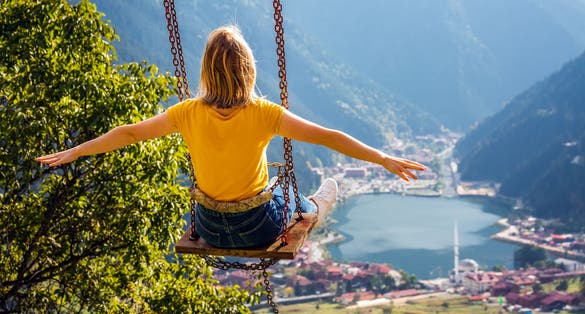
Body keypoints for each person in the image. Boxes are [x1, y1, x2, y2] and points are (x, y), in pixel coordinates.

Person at [36, 25, 425, 249]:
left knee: (273, 191)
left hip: (207, 225)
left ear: (206, 69)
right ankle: (319, 206)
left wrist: (76, 151)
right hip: (258, 226)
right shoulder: (263, 114)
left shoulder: (186, 112)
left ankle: (312, 202)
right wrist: (381, 158)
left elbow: (130, 133)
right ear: (248, 71)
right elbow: (329, 137)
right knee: (301, 199)